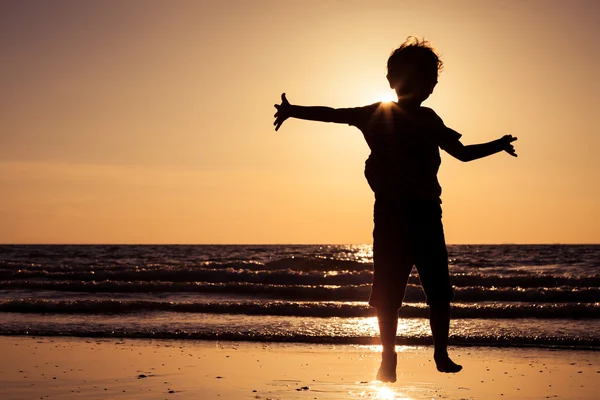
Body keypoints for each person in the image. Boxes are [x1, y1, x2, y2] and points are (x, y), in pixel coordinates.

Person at [273, 36, 517, 382]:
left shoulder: (420, 118)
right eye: (428, 76)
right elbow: (332, 115)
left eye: (434, 77)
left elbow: (460, 152)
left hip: (419, 213)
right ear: (400, 81)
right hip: (397, 214)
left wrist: (497, 145)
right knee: (393, 292)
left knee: (433, 289)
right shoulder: (384, 114)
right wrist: (294, 110)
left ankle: (436, 353)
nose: (433, 82)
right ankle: (393, 356)